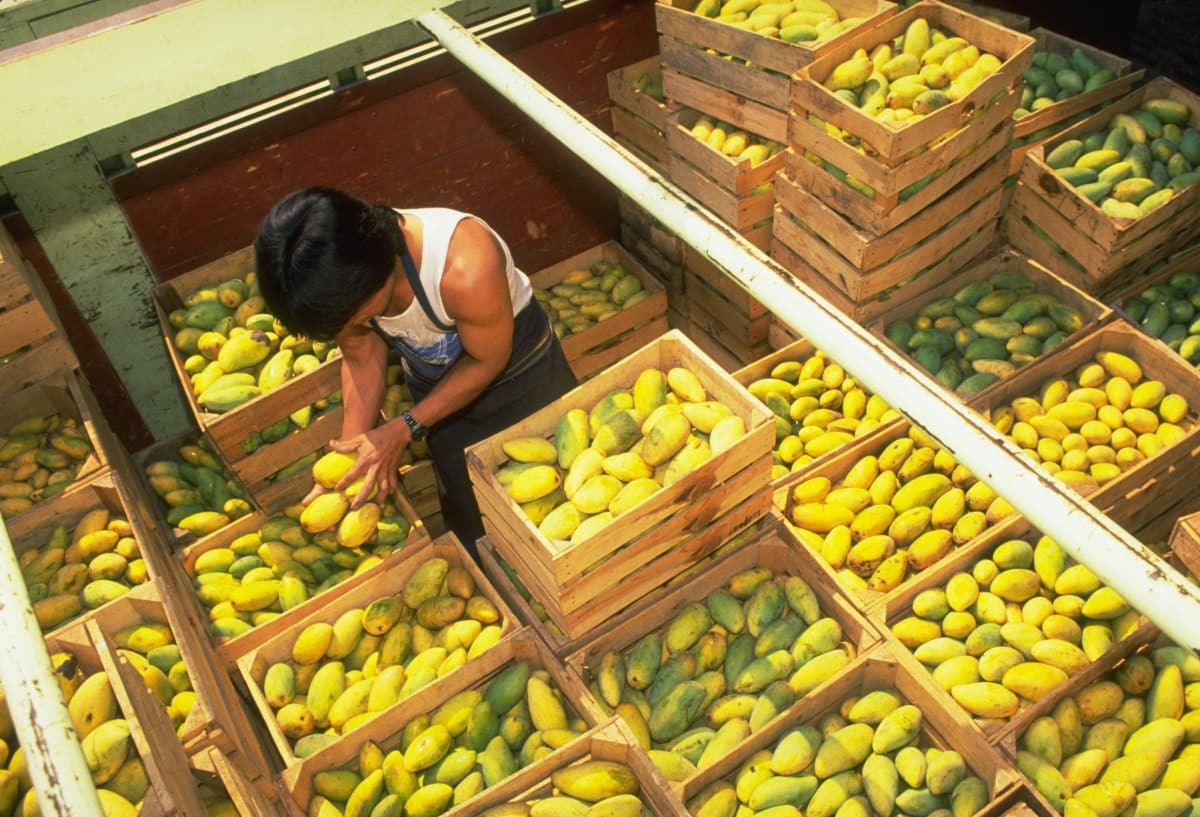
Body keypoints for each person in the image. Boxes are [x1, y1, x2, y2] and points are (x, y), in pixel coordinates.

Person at [253, 186, 578, 551]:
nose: (355, 323)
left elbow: (487, 360)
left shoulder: (465, 267)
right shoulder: (340, 275)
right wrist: (351, 464)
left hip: (522, 379)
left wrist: (406, 425)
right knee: (473, 518)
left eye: (356, 314)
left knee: (559, 503)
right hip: (440, 404)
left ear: (376, 274)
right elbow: (360, 354)